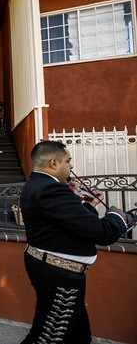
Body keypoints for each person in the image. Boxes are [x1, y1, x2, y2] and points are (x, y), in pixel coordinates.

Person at [20, 141, 130, 343]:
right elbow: (103, 233)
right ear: (54, 163)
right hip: (59, 277)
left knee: (79, 335)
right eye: (68, 161)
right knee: (47, 337)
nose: (71, 166)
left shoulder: (37, 184)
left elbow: (70, 223)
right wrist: (118, 216)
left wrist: (89, 206)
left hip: (55, 271)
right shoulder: (52, 189)